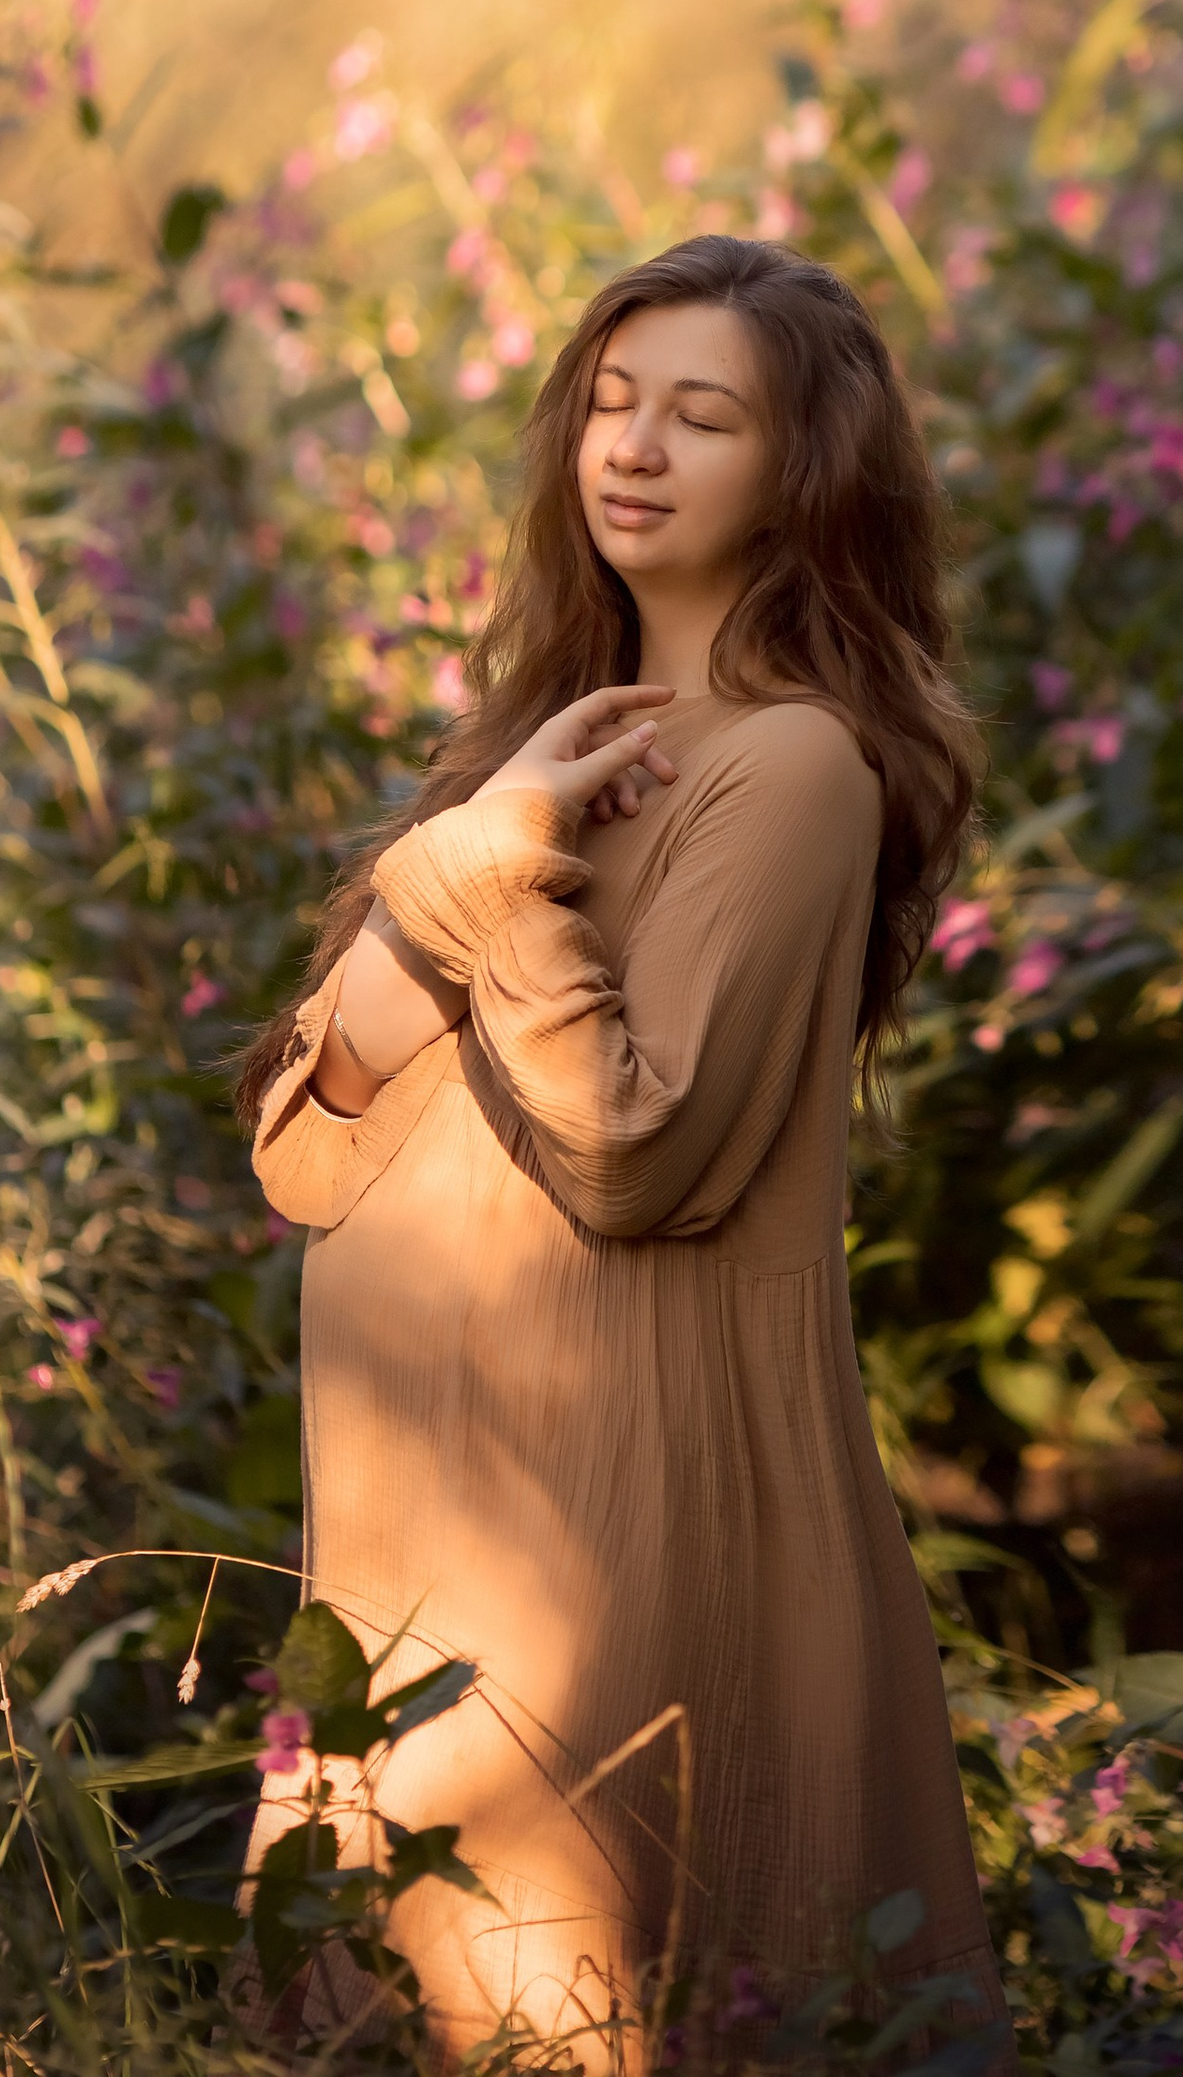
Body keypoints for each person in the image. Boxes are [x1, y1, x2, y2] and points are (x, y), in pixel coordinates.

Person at [234, 237, 1009, 2066]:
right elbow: (304, 1147)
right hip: (416, 1533)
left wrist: (486, 888)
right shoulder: (527, 752)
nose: (633, 448)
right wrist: (470, 859)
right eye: (609, 399)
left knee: (596, 2011)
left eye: (703, 414)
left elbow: (633, 1162)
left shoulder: (794, 768)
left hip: (606, 1534)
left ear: (802, 473)